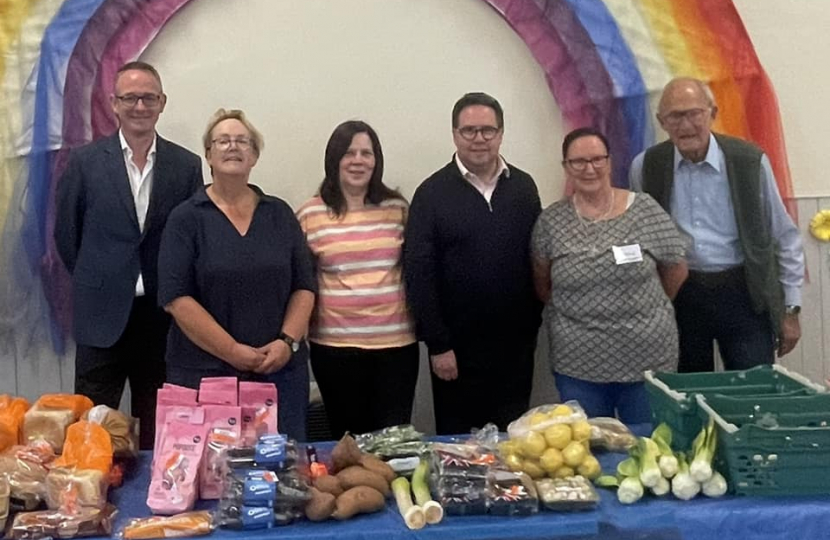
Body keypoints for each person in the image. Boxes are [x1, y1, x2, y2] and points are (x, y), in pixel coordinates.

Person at [54, 61, 203, 449]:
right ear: (114, 104)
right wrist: (101, 279)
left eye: (148, 98)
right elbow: (67, 236)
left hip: (162, 317)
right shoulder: (85, 162)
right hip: (101, 315)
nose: (140, 106)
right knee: (92, 426)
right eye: (130, 98)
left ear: (162, 103)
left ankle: (160, 503)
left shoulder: (186, 166)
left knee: (159, 424)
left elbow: (191, 242)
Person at [157, 108, 316, 441]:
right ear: (209, 155)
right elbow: (176, 299)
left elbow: (305, 286)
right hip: (205, 376)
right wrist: (231, 351)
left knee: (284, 478)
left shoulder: (279, 213)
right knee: (213, 480)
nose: (233, 147)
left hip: (279, 373)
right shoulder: (186, 218)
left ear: (254, 156)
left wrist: (287, 343)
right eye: (223, 141)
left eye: (242, 141)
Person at [629, 77, 805, 373]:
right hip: (680, 295)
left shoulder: (750, 161)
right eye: (675, 116)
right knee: (687, 396)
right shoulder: (644, 167)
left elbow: (784, 236)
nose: (686, 125)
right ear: (662, 121)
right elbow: (638, 237)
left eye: (694, 113)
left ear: (713, 113)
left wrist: (791, 310)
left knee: (753, 391)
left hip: (743, 291)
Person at [404, 92, 542, 435]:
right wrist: (438, 345)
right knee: (460, 452)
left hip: (515, 350)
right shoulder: (431, 194)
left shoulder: (523, 187)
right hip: (456, 353)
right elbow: (419, 274)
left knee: (514, 446)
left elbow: (538, 258)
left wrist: (532, 327)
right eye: (469, 131)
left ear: (500, 133)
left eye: (487, 130)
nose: (479, 138)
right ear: (455, 134)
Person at [532, 128, 687, 423]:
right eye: (578, 162)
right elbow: (543, 284)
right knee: (588, 451)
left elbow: (676, 269)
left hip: (648, 358)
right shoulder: (551, 222)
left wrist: (644, 310)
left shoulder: (645, 210)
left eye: (597, 159)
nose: (589, 168)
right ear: (566, 167)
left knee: (649, 446)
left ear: (610, 162)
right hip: (577, 363)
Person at [296, 120, 418, 438]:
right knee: (348, 440)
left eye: (367, 153)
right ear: (334, 158)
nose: (358, 160)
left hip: (396, 348)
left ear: (376, 161)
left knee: (394, 442)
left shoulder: (397, 209)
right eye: (349, 152)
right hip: (335, 348)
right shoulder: (310, 214)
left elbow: (417, 271)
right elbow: (300, 284)